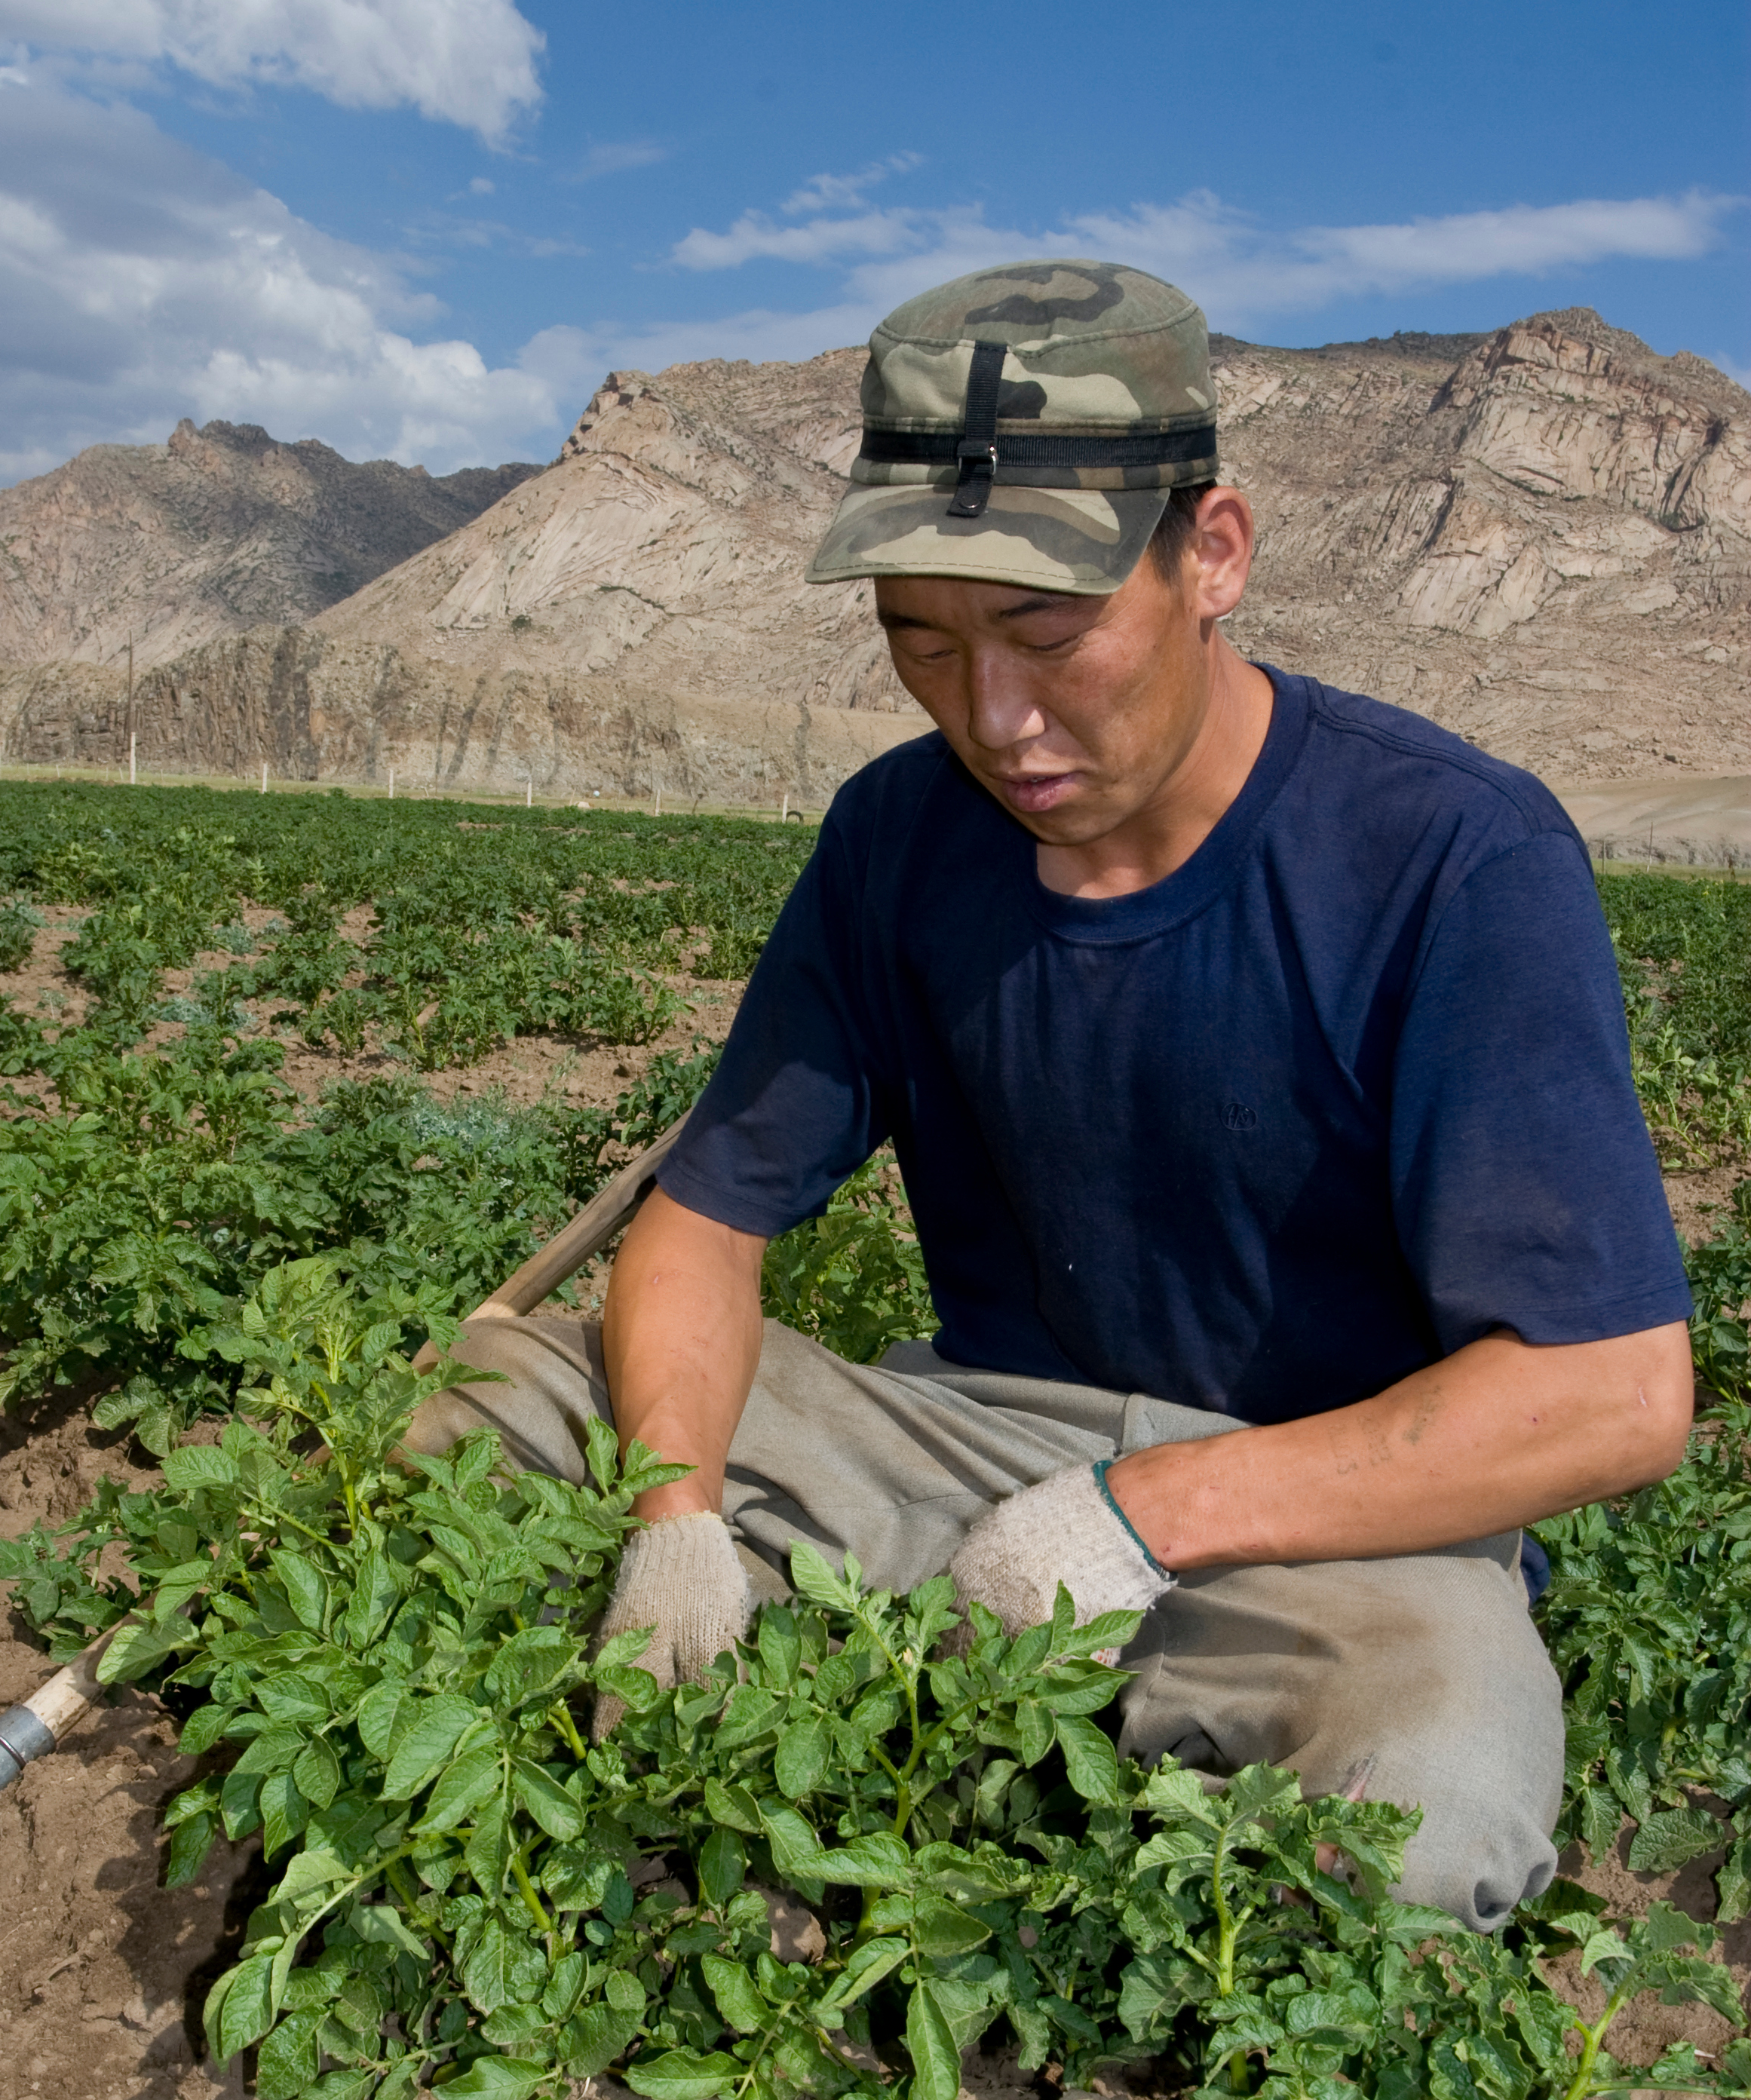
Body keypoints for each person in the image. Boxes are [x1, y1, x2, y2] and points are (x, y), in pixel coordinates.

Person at [411, 259, 1694, 1931]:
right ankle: (859, 1681)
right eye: (921, 646)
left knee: (1424, 1818)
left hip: (1337, 1514)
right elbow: (704, 1224)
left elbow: (1610, 1396)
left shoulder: (1450, 856)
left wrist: (1142, 1513)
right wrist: (676, 1520)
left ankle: (944, 1737)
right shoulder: (899, 837)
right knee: (496, 1400)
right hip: (974, 1442)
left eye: (1045, 630)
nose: (992, 719)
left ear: (1212, 552)